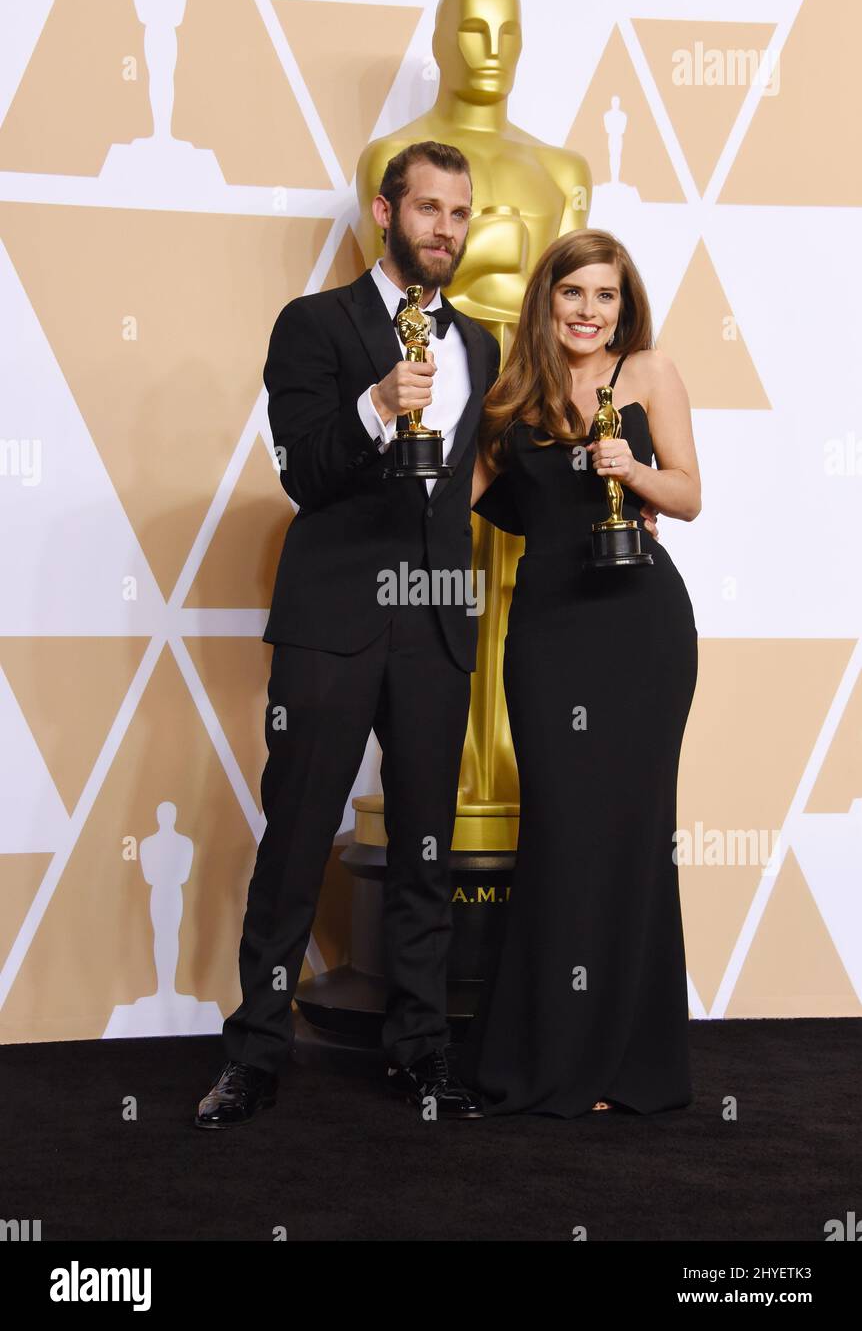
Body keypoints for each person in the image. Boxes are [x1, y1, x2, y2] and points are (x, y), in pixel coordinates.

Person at [195, 141, 501, 1126]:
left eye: (459, 213)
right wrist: (376, 406)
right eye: (428, 210)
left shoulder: (481, 346)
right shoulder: (315, 324)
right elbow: (302, 470)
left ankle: (418, 1051)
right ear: (384, 211)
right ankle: (255, 1052)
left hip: (435, 622)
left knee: (422, 848)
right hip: (333, 620)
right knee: (295, 842)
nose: (444, 230)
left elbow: (468, 485)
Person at [464, 228, 701, 1117]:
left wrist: (632, 469)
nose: (589, 311)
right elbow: (462, 498)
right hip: (551, 631)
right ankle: (557, 1055)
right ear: (547, 300)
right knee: (563, 831)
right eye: (574, 294)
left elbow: (689, 492)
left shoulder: (647, 373)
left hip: (640, 629)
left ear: (623, 304)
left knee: (634, 834)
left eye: (605, 296)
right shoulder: (512, 396)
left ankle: (626, 1067)